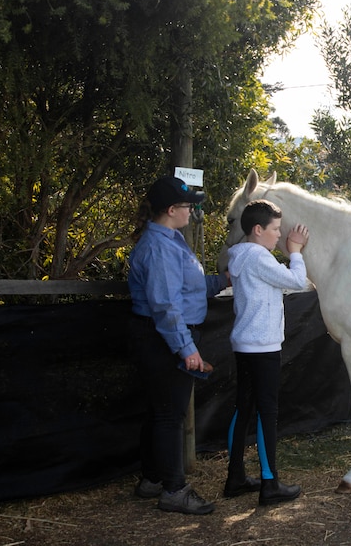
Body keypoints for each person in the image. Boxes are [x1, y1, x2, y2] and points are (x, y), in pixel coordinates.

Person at [128, 176, 228, 515]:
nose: (193, 211)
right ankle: (174, 490)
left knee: (159, 412)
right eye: (188, 206)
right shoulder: (159, 248)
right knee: (169, 415)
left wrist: (222, 281)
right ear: (171, 210)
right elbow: (165, 306)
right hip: (164, 339)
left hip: (163, 337)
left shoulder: (171, 241)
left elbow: (189, 286)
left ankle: (152, 479)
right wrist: (186, 348)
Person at [225, 199, 309, 506]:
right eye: (275, 229)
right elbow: (297, 281)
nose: (279, 235)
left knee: (243, 408)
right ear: (258, 230)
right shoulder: (259, 257)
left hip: (245, 345)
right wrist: (296, 251)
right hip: (263, 347)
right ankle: (269, 483)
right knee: (267, 413)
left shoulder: (241, 256)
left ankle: (234, 477)